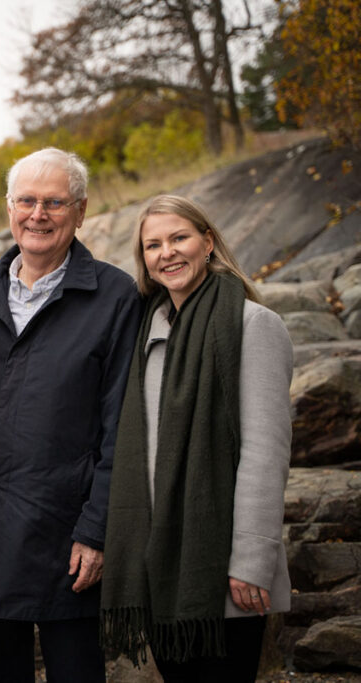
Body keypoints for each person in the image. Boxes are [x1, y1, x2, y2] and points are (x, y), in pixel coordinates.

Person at [0, 147, 142, 682]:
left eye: (55, 202)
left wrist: (97, 531)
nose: (38, 214)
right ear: (9, 208)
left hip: (70, 540)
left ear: (80, 211)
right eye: (27, 201)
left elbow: (121, 427)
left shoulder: (113, 296)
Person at [100, 195, 293, 681]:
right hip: (159, 567)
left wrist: (251, 560)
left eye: (179, 238)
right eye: (153, 245)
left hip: (225, 567)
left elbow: (265, 452)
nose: (167, 253)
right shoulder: (143, 333)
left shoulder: (253, 326)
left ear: (208, 242)